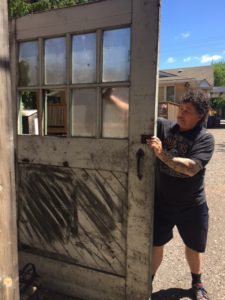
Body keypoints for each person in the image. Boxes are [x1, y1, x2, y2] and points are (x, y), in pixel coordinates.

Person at [148, 91, 215, 300]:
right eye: (181, 109)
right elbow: (135, 112)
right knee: (155, 244)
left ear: (201, 115)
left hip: (191, 206)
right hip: (163, 203)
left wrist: (162, 154)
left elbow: (192, 168)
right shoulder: (164, 127)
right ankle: (146, 282)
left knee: (193, 247)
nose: (180, 114)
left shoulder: (205, 138)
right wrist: (111, 97)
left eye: (187, 111)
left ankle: (197, 282)